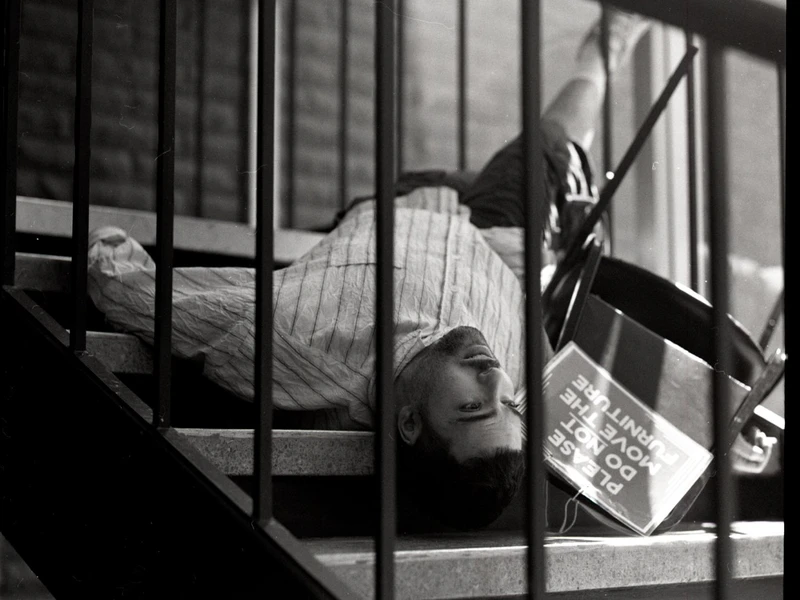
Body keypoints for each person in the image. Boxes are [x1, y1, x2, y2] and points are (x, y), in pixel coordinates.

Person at [87, 10, 652, 531]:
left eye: (472, 406)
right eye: (507, 404)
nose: (498, 379)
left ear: (408, 424)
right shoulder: (518, 380)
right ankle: (604, 51)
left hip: (404, 205)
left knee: (524, 158)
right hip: (495, 235)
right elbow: (607, 439)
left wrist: (110, 253)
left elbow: (149, 299)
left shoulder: (300, 347)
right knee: (552, 143)